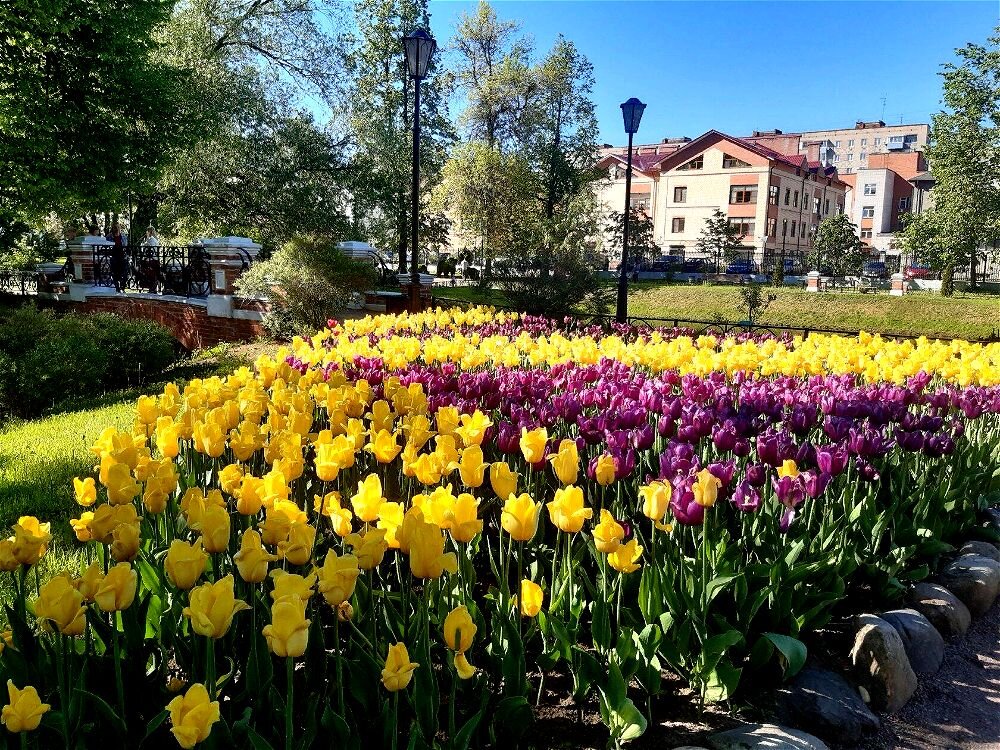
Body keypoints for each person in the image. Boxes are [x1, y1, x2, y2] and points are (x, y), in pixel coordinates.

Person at [106, 222, 127, 293]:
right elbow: (106, 246)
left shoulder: (123, 236)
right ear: (112, 228)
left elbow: (125, 245)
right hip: (113, 256)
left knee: (124, 272)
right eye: (115, 227)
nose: (117, 229)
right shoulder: (109, 236)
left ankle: (123, 287)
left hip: (122, 256)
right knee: (114, 273)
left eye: (118, 227)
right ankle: (117, 288)